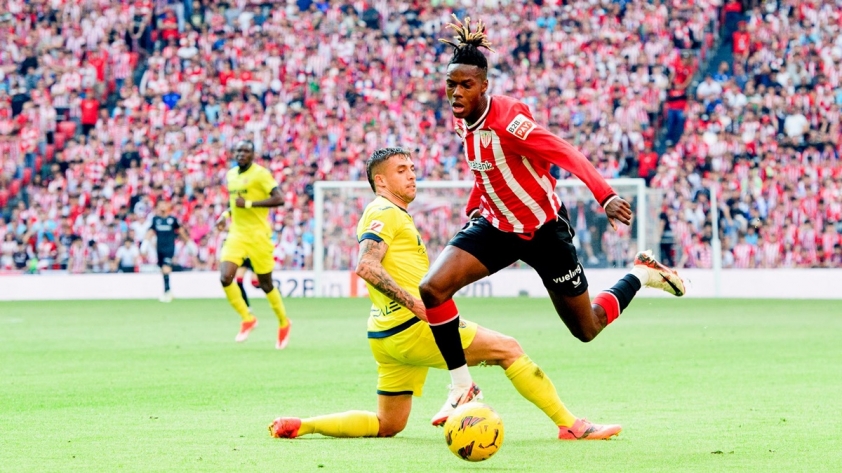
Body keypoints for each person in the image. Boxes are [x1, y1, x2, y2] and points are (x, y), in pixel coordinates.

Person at [421, 16, 687, 426]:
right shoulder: (463, 119)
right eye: (451, 84)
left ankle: (641, 273)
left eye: (466, 85)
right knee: (433, 289)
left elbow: (565, 152)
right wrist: (476, 202)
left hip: (544, 232)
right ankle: (462, 386)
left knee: (587, 329)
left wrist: (605, 195)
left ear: (484, 85)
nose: (456, 93)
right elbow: (485, 167)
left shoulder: (509, 121)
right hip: (497, 227)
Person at [269, 148, 621, 441]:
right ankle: (571, 426)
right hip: (414, 327)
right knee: (509, 349)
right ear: (381, 181)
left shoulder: (395, 214)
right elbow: (366, 265)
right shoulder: (383, 210)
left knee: (388, 423)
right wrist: (417, 306)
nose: (412, 175)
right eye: (401, 170)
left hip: (384, 335)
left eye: (412, 168)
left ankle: (304, 425)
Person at [215, 140, 291, 348]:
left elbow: (280, 199)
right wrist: (224, 215)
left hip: (259, 236)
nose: (241, 154)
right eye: (238, 150)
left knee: (266, 284)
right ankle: (247, 318)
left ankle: (283, 322)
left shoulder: (261, 174)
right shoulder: (231, 175)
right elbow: (234, 203)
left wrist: (249, 204)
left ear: (253, 155)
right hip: (237, 234)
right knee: (225, 277)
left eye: (246, 151)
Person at [146, 199, 189, 302]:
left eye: (164, 204)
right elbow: (151, 231)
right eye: (160, 205)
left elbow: (181, 231)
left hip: (169, 248)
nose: (162, 206)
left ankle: (167, 291)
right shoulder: (155, 219)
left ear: (167, 206)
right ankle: (167, 291)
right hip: (159, 249)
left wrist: (188, 242)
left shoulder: (172, 219)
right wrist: (145, 242)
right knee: (163, 270)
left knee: (166, 268)